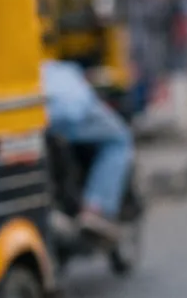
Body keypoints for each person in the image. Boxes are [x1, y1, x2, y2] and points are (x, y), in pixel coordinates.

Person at [42, 59, 135, 242]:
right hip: (68, 116)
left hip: (36, 120)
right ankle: (96, 208)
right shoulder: (63, 70)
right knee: (120, 139)